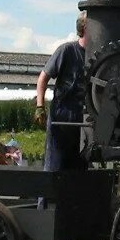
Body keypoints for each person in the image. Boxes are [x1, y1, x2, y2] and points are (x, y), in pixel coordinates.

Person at [35, 11, 88, 172]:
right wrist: (39, 106)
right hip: (62, 116)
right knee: (54, 167)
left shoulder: (98, 55)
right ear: (85, 27)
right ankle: (46, 198)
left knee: (78, 170)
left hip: (84, 120)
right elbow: (43, 78)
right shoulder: (67, 50)